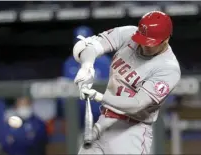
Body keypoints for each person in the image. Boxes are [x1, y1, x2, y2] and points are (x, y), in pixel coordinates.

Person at [72, 11, 181, 154]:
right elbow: (86, 46)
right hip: (104, 121)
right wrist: (87, 66)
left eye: (150, 43)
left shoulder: (168, 68)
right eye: (142, 39)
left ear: (166, 39)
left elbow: (137, 104)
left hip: (131, 131)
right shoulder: (130, 34)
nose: (144, 46)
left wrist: (98, 96)